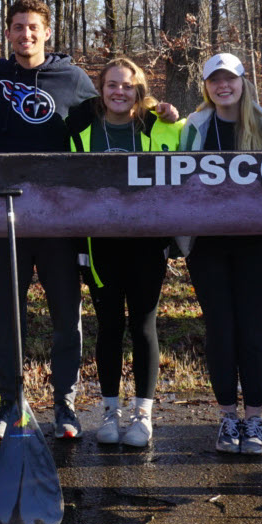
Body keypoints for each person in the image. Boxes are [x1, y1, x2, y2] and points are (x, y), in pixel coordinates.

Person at [66, 58, 182, 448]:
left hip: (147, 242)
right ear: (100, 89)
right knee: (110, 326)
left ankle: (143, 415)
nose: (119, 92)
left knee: (143, 326)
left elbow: (187, 148)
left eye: (127, 86)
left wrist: (171, 112)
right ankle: (110, 412)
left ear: (139, 90)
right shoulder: (81, 127)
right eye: (112, 85)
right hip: (101, 244)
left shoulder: (158, 124)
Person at [178, 53, 262, 456]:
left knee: (251, 328)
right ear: (206, 86)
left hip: (255, 241)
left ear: (244, 81)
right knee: (220, 328)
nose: (223, 86)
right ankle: (227, 418)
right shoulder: (197, 124)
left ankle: (254, 419)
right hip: (207, 243)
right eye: (214, 80)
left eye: (230, 79)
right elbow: (181, 178)